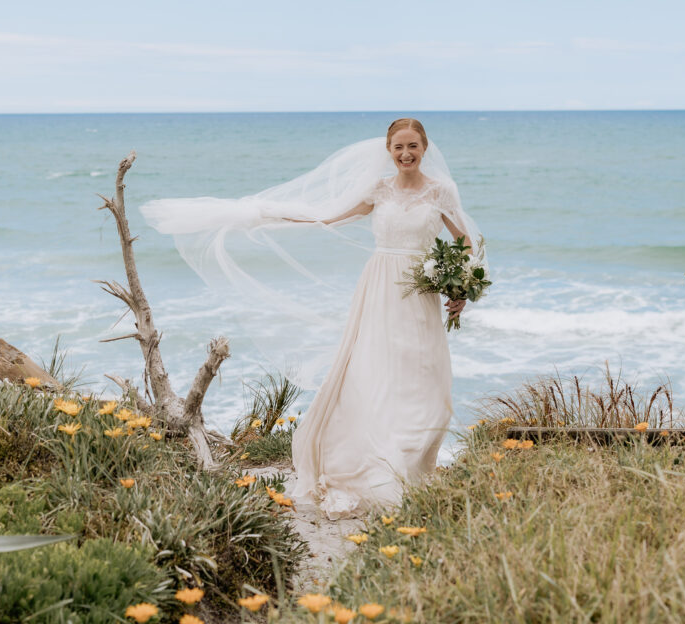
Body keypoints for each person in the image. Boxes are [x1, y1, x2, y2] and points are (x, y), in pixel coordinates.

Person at [140, 118, 483, 520]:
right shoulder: (380, 189)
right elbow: (330, 217)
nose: (406, 154)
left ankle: (411, 465)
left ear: (425, 147)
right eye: (398, 147)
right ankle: (374, 467)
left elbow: (464, 240)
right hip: (379, 289)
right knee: (373, 373)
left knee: (422, 375)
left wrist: (459, 287)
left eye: (413, 146)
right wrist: (267, 217)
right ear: (388, 151)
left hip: (421, 293)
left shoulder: (441, 192)